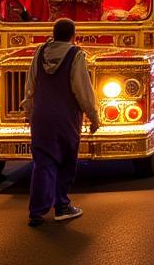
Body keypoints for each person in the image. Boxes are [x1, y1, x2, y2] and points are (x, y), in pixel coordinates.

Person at [21, 18, 98, 226]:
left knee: (42, 163)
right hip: (66, 117)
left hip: (41, 116)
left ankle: (36, 212)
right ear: (74, 35)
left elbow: (31, 84)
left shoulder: (39, 53)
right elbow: (82, 90)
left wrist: (28, 110)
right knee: (66, 162)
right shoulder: (76, 55)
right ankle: (62, 206)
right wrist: (93, 116)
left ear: (53, 34)